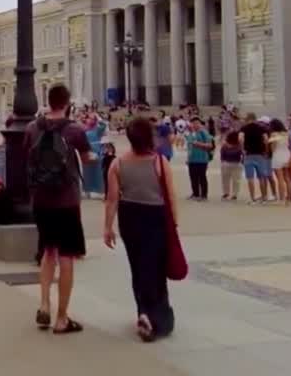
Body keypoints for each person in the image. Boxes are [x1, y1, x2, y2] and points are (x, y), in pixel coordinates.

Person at [23, 84, 93, 335]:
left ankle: (43, 304)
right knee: (67, 257)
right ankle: (62, 318)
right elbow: (86, 158)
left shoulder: (32, 128)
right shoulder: (74, 130)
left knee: (47, 252)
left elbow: (27, 158)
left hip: (41, 200)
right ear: (67, 103)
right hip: (66, 200)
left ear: (48, 101)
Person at [103, 116, 178, 342]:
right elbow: (171, 196)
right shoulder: (159, 162)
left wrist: (108, 227)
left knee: (138, 265)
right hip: (155, 216)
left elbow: (112, 199)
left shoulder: (118, 163)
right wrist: (174, 223)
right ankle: (158, 315)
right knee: (156, 267)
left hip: (130, 216)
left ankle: (143, 310)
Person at [239, 115, 272, 203]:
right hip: (260, 154)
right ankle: (264, 197)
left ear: (248, 119)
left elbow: (240, 139)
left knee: (250, 178)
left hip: (249, 154)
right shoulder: (261, 128)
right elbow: (266, 140)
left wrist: (243, 150)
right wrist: (266, 150)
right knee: (261, 177)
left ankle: (252, 198)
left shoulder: (244, 128)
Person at [184, 119, 213, 201]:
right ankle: (195, 194)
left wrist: (199, 144)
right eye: (193, 123)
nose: (195, 125)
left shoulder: (203, 133)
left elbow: (210, 145)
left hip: (202, 159)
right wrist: (188, 158)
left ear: (200, 124)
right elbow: (189, 147)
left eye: (197, 123)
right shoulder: (190, 134)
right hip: (192, 159)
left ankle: (204, 195)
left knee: (202, 177)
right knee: (193, 177)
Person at [268, 119, 291, 207]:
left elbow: (273, 148)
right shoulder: (287, 134)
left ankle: (281, 199)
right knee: (287, 178)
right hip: (286, 154)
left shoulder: (274, 134)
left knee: (280, 178)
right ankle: (289, 199)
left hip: (278, 155)